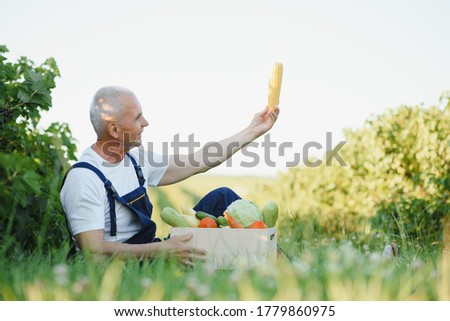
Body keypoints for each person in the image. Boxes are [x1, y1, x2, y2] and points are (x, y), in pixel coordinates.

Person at [60, 86, 279, 266]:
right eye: (137, 118)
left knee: (222, 197)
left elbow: (199, 160)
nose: (146, 122)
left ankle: (280, 265)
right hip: (119, 269)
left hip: (151, 253)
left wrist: (253, 130)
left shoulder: (135, 160)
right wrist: (162, 250)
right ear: (115, 130)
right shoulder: (84, 178)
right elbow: (94, 252)